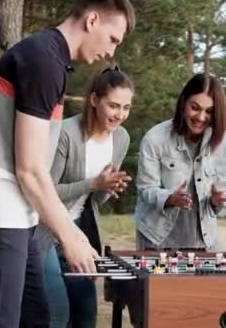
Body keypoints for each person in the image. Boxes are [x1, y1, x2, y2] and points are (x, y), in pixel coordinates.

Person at [0, 0, 136, 326]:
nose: (111, 52)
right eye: (112, 38)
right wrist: (70, 236)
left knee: (35, 317)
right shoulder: (44, 62)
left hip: (18, 210)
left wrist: (76, 233)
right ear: (91, 20)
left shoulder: (52, 59)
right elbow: (31, 170)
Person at [35, 67, 134, 328]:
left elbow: (94, 201)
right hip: (43, 230)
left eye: (126, 107)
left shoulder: (121, 138)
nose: (120, 115)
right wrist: (94, 183)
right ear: (93, 100)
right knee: (57, 314)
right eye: (113, 106)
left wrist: (106, 189)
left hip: (79, 231)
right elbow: (45, 191)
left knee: (85, 312)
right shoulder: (65, 133)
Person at [134, 73, 226, 251]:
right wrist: (170, 199)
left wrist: (217, 200)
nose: (201, 117)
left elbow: (222, 202)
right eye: (195, 107)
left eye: (209, 111)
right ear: (183, 104)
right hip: (157, 239)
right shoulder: (155, 138)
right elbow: (145, 189)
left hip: (204, 240)